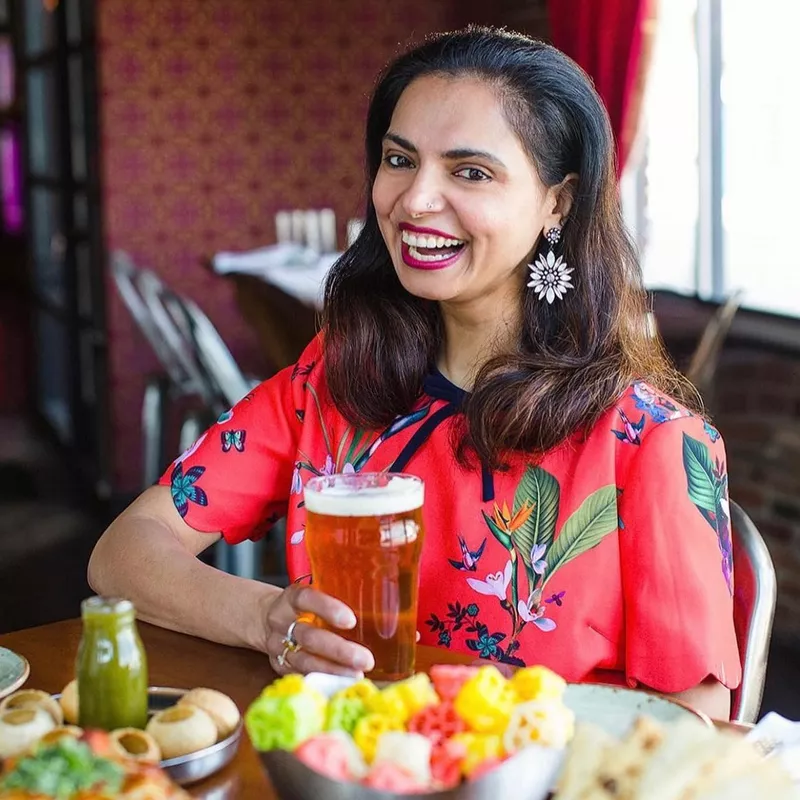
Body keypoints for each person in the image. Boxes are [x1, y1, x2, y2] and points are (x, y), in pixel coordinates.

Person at [89, 26, 740, 720]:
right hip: (355, 770)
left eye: (470, 171)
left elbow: (695, 724)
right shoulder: (332, 386)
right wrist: (267, 617)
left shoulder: (652, 444)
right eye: (400, 160)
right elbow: (124, 553)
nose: (414, 200)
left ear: (559, 201)